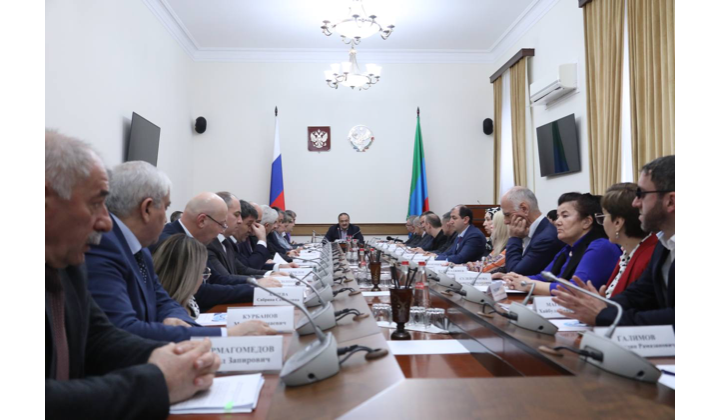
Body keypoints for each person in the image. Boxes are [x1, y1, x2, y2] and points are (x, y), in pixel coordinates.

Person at [46, 130, 220, 419]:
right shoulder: (83, 251)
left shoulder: (67, 263)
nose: (106, 223)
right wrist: (159, 381)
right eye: (95, 204)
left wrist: (166, 356)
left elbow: (100, 337)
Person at [85, 163, 275, 341]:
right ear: (147, 209)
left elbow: (162, 298)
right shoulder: (105, 248)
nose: (166, 218)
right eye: (166, 207)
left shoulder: (139, 247)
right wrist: (226, 335)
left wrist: (175, 317)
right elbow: (124, 329)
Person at [552, 156, 675, 326]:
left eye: (641, 194)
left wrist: (603, 315)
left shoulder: (652, 247)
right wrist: (601, 306)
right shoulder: (664, 245)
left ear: (670, 201)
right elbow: (641, 293)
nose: (635, 203)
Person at [154, 193, 276, 311]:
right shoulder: (172, 242)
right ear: (202, 220)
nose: (222, 231)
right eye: (222, 225)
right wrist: (256, 289)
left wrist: (257, 283)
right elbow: (200, 292)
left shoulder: (197, 240)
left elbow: (216, 278)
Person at [503, 193, 622, 296]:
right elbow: (544, 277)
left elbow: (575, 289)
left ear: (586, 222)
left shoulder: (601, 246)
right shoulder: (568, 248)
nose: (557, 222)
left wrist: (527, 284)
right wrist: (513, 279)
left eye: (565, 216)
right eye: (558, 216)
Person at [598, 183, 658, 297]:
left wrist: (604, 306)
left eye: (604, 216)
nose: (602, 223)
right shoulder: (628, 253)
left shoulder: (649, 259)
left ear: (617, 223)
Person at [497, 187, 565, 277]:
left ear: (524, 209)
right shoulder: (532, 231)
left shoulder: (546, 238)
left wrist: (514, 238)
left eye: (507, 215)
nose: (505, 221)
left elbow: (515, 273)